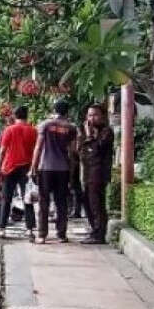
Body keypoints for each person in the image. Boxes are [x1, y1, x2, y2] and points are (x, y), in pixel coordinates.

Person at [30, 98, 78, 243]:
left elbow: (38, 147)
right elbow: (72, 151)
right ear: (67, 111)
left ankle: (42, 235)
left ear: (54, 109)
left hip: (45, 168)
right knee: (61, 202)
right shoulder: (71, 128)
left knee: (43, 201)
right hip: (63, 169)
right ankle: (61, 234)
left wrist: (33, 167)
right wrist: (72, 170)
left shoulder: (45, 125)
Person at [0, 106, 38, 237]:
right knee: (27, 198)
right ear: (27, 115)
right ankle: (30, 229)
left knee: (6, 199)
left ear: (14, 116)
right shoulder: (33, 131)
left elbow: (2, 152)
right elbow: (36, 151)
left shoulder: (9, 130)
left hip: (9, 167)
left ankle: (2, 228)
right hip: (27, 168)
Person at [79, 103, 115, 244]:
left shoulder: (106, 132)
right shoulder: (85, 131)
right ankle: (94, 229)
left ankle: (99, 233)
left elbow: (96, 149)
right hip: (87, 172)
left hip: (99, 172)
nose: (91, 118)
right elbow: (81, 149)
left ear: (102, 116)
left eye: (95, 115)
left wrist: (90, 136)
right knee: (87, 201)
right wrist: (86, 137)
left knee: (96, 203)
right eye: (89, 115)